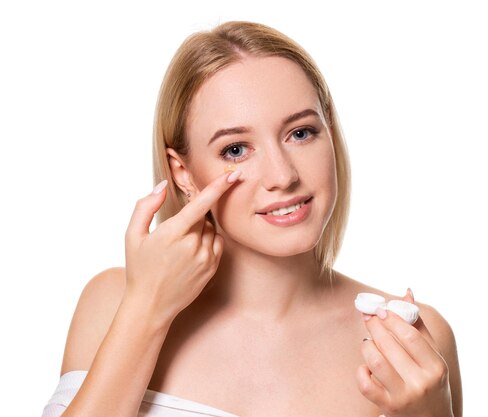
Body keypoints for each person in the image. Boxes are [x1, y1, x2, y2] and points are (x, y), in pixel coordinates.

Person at [41, 21, 462, 417]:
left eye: (300, 133)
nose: (283, 176)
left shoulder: (411, 341)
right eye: (236, 149)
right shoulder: (114, 302)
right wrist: (147, 309)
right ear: (182, 172)